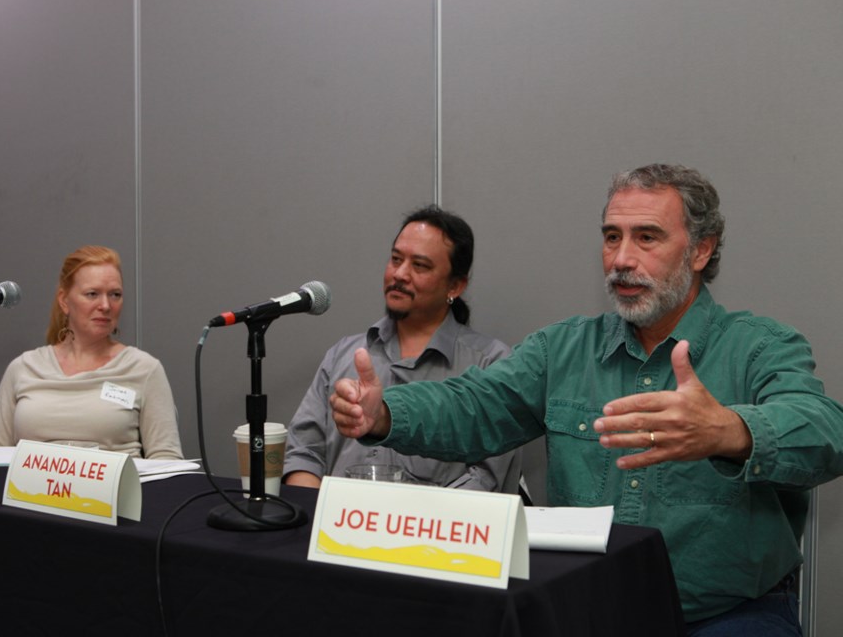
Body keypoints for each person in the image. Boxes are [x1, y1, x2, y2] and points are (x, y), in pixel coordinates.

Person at [330, 164, 843, 635]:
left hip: (727, 615)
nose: (621, 259)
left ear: (701, 251)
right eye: (611, 237)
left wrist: (730, 431)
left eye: (647, 238)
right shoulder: (563, 348)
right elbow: (475, 406)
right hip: (588, 609)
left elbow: (825, 431)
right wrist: (385, 414)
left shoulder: (759, 345)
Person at [284, 205, 524, 494]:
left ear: (455, 286)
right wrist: (314, 517)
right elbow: (303, 454)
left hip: (434, 535)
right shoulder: (343, 354)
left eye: (419, 266)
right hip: (337, 533)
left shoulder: (491, 364)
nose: (399, 274)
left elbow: (486, 479)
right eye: (396, 259)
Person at [0, 245, 184, 459]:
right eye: (92, 294)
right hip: (30, 492)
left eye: (115, 294)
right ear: (64, 301)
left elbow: (167, 460)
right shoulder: (24, 368)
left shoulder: (143, 369)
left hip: (115, 491)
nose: (106, 305)